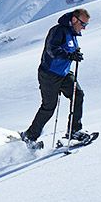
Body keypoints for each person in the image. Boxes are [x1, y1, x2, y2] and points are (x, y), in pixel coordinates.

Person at [21, 8, 91, 149]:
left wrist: (75, 53)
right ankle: (29, 136)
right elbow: (51, 49)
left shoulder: (73, 34)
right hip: (49, 74)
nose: (84, 28)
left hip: (64, 73)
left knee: (78, 95)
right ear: (74, 20)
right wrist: (69, 55)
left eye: (85, 25)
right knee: (49, 107)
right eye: (83, 24)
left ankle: (74, 131)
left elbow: (69, 49)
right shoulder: (58, 31)